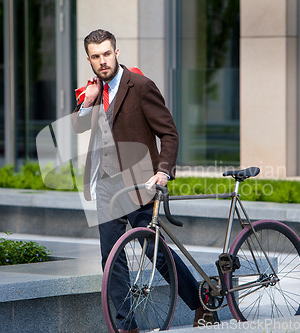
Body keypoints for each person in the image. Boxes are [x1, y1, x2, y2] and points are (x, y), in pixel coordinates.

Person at [71, 29, 209, 332]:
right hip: (106, 185)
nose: (102, 61)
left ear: (116, 53)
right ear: (89, 60)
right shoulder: (94, 91)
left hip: (138, 183)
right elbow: (78, 128)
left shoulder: (141, 86)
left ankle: (200, 301)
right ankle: (127, 326)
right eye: (96, 57)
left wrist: (163, 170)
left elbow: (169, 133)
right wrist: (87, 102)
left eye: (107, 54)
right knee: (111, 258)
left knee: (154, 250)